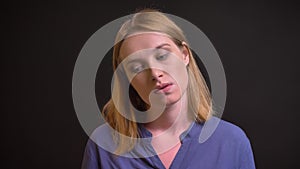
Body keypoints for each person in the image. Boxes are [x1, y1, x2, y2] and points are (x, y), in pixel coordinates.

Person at [81, 9, 256, 169]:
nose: (155, 73)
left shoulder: (232, 142)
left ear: (185, 54)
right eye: (136, 67)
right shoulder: (103, 145)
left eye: (162, 55)